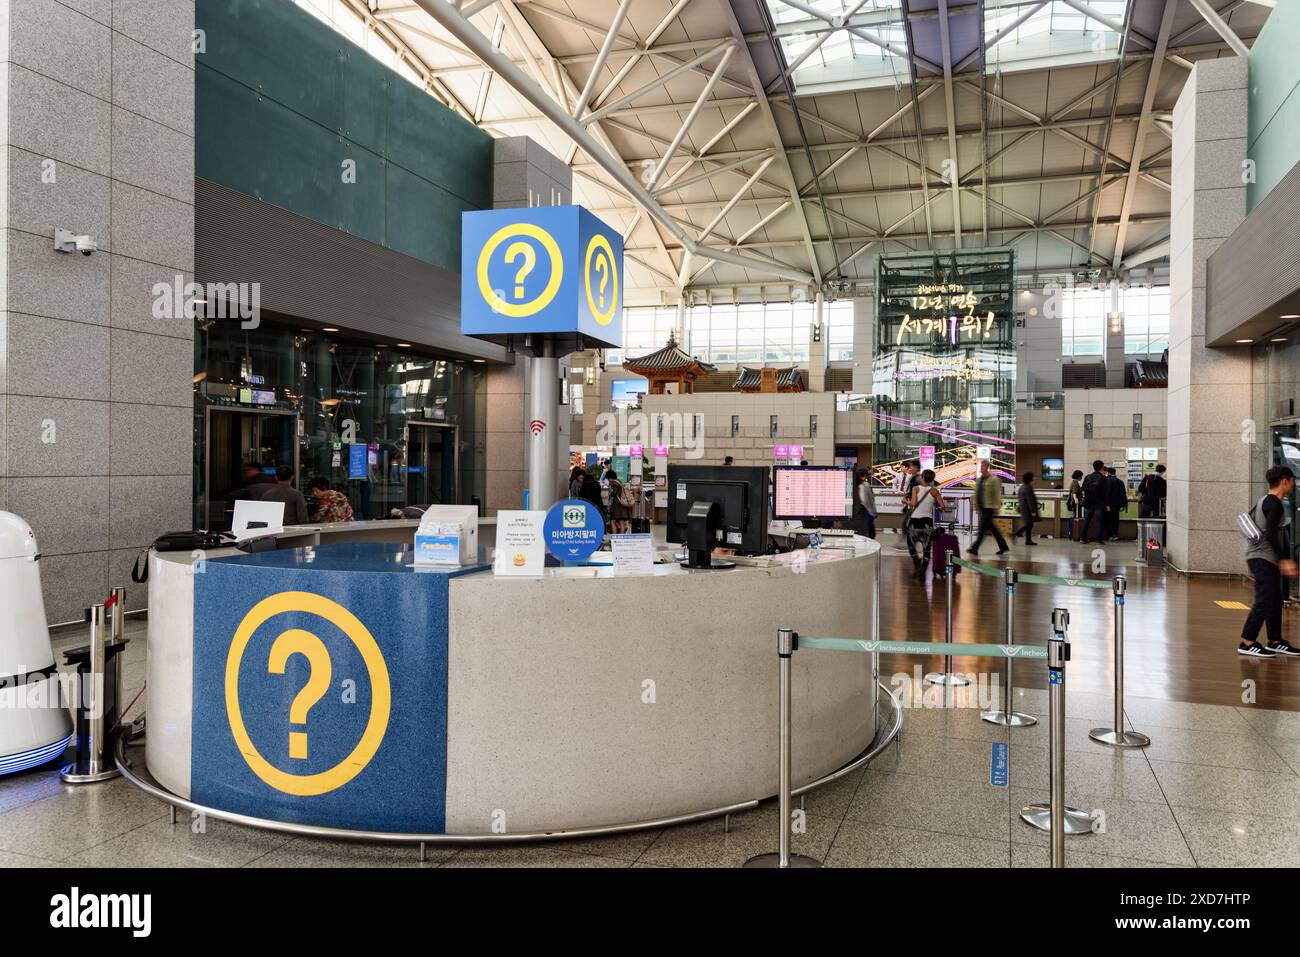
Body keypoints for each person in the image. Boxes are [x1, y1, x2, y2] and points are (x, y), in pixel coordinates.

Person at [1239, 465, 1299, 657]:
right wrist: (1285, 560)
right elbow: (1272, 534)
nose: (1294, 484)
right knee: (1264, 600)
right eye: (1292, 480)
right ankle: (1247, 642)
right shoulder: (1274, 503)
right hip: (1263, 558)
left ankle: (1275, 641)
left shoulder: (1263, 501)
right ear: (1285, 481)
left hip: (1264, 558)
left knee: (1275, 600)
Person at [907, 469, 944, 578]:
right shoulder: (934, 491)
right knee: (926, 548)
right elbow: (942, 506)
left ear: (922, 477)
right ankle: (922, 572)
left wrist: (906, 501)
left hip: (915, 522)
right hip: (927, 522)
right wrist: (938, 509)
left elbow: (913, 503)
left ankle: (917, 564)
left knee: (911, 545)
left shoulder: (915, 489)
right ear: (932, 479)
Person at [968, 460, 1009, 556]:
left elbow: (997, 494)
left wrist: (996, 506)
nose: (981, 468)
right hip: (982, 507)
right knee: (992, 528)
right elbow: (977, 493)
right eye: (980, 466)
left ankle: (975, 548)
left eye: (983, 466)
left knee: (982, 529)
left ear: (987, 467)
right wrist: (975, 504)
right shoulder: (979, 479)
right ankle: (1003, 546)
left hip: (989, 507)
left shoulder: (994, 479)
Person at [1079, 460, 1108, 544]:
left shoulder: (1088, 477)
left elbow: (1083, 488)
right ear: (1102, 467)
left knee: (1087, 520)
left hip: (1089, 502)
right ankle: (1099, 539)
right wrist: (1107, 504)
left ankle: (1083, 538)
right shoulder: (1103, 478)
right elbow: (1106, 492)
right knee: (1099, 521)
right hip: (1099, 502)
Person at [1104, 466, 1128, 542]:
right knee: (1115, 519)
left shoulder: (1107, 480)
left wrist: (1107, 504)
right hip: (1117, 505)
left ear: (1108, 472)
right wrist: (1124, 504)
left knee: (1109, 520)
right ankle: (1115, 534)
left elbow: (1107, 493)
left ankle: (1111, 535)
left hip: (1109, 504)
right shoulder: (1120, 482)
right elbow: (1123, 494)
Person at [1015, 471, 1039, 545]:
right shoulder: (1028, 487)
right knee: (1029, 525)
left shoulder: (1022, 487)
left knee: (1029, 525)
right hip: (1028, 510)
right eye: (1032, 478)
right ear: (1030, 479)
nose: (1033, 479)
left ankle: (1028, 540)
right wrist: (1033, 511)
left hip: (1024, 509)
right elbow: (1030, 500)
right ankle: (1015, 534)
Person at [607, 470, 631, 534]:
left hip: (617, 506)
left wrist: (610, 492)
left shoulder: (613, 483)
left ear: (609, 477)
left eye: (608, 478)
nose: (608, 480)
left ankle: (615, 538)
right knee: (621, 521)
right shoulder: (619, 482)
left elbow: (614, 492)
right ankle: (621, 538)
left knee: (612, 521)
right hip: (622, 505)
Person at [855, 470, 877, 539]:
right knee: (870, 534)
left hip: (861, 515)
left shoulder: (858, 485)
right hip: (866, 514)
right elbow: (867, 500)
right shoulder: (865, 485)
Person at [1067, 469, 1085, 542]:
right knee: (1078, 517)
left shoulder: (1073, 481)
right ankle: (1077, 535)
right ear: (1079, 476)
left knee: (1076, 517)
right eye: (1081, 476)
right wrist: (1076, 499)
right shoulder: (1075, 482)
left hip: (1074, 503)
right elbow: (1074, 492)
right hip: (1076, 504)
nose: (1082, 477)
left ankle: (1075, 534)